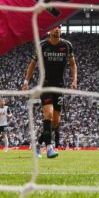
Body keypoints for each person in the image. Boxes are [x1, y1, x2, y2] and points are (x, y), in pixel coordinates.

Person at [22, 26, 77, 159]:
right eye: (54, 27)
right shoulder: (42, 45)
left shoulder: (67, 45)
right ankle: (49, 148)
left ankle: (38, 144)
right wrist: (26, 81)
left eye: (59, 27)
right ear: (49, 31)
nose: (57, 29)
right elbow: (33, 64)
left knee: (56, 121)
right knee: (49, 113)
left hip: (59, 86)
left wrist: (74, 80)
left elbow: (73, 64)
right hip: (45, 84)